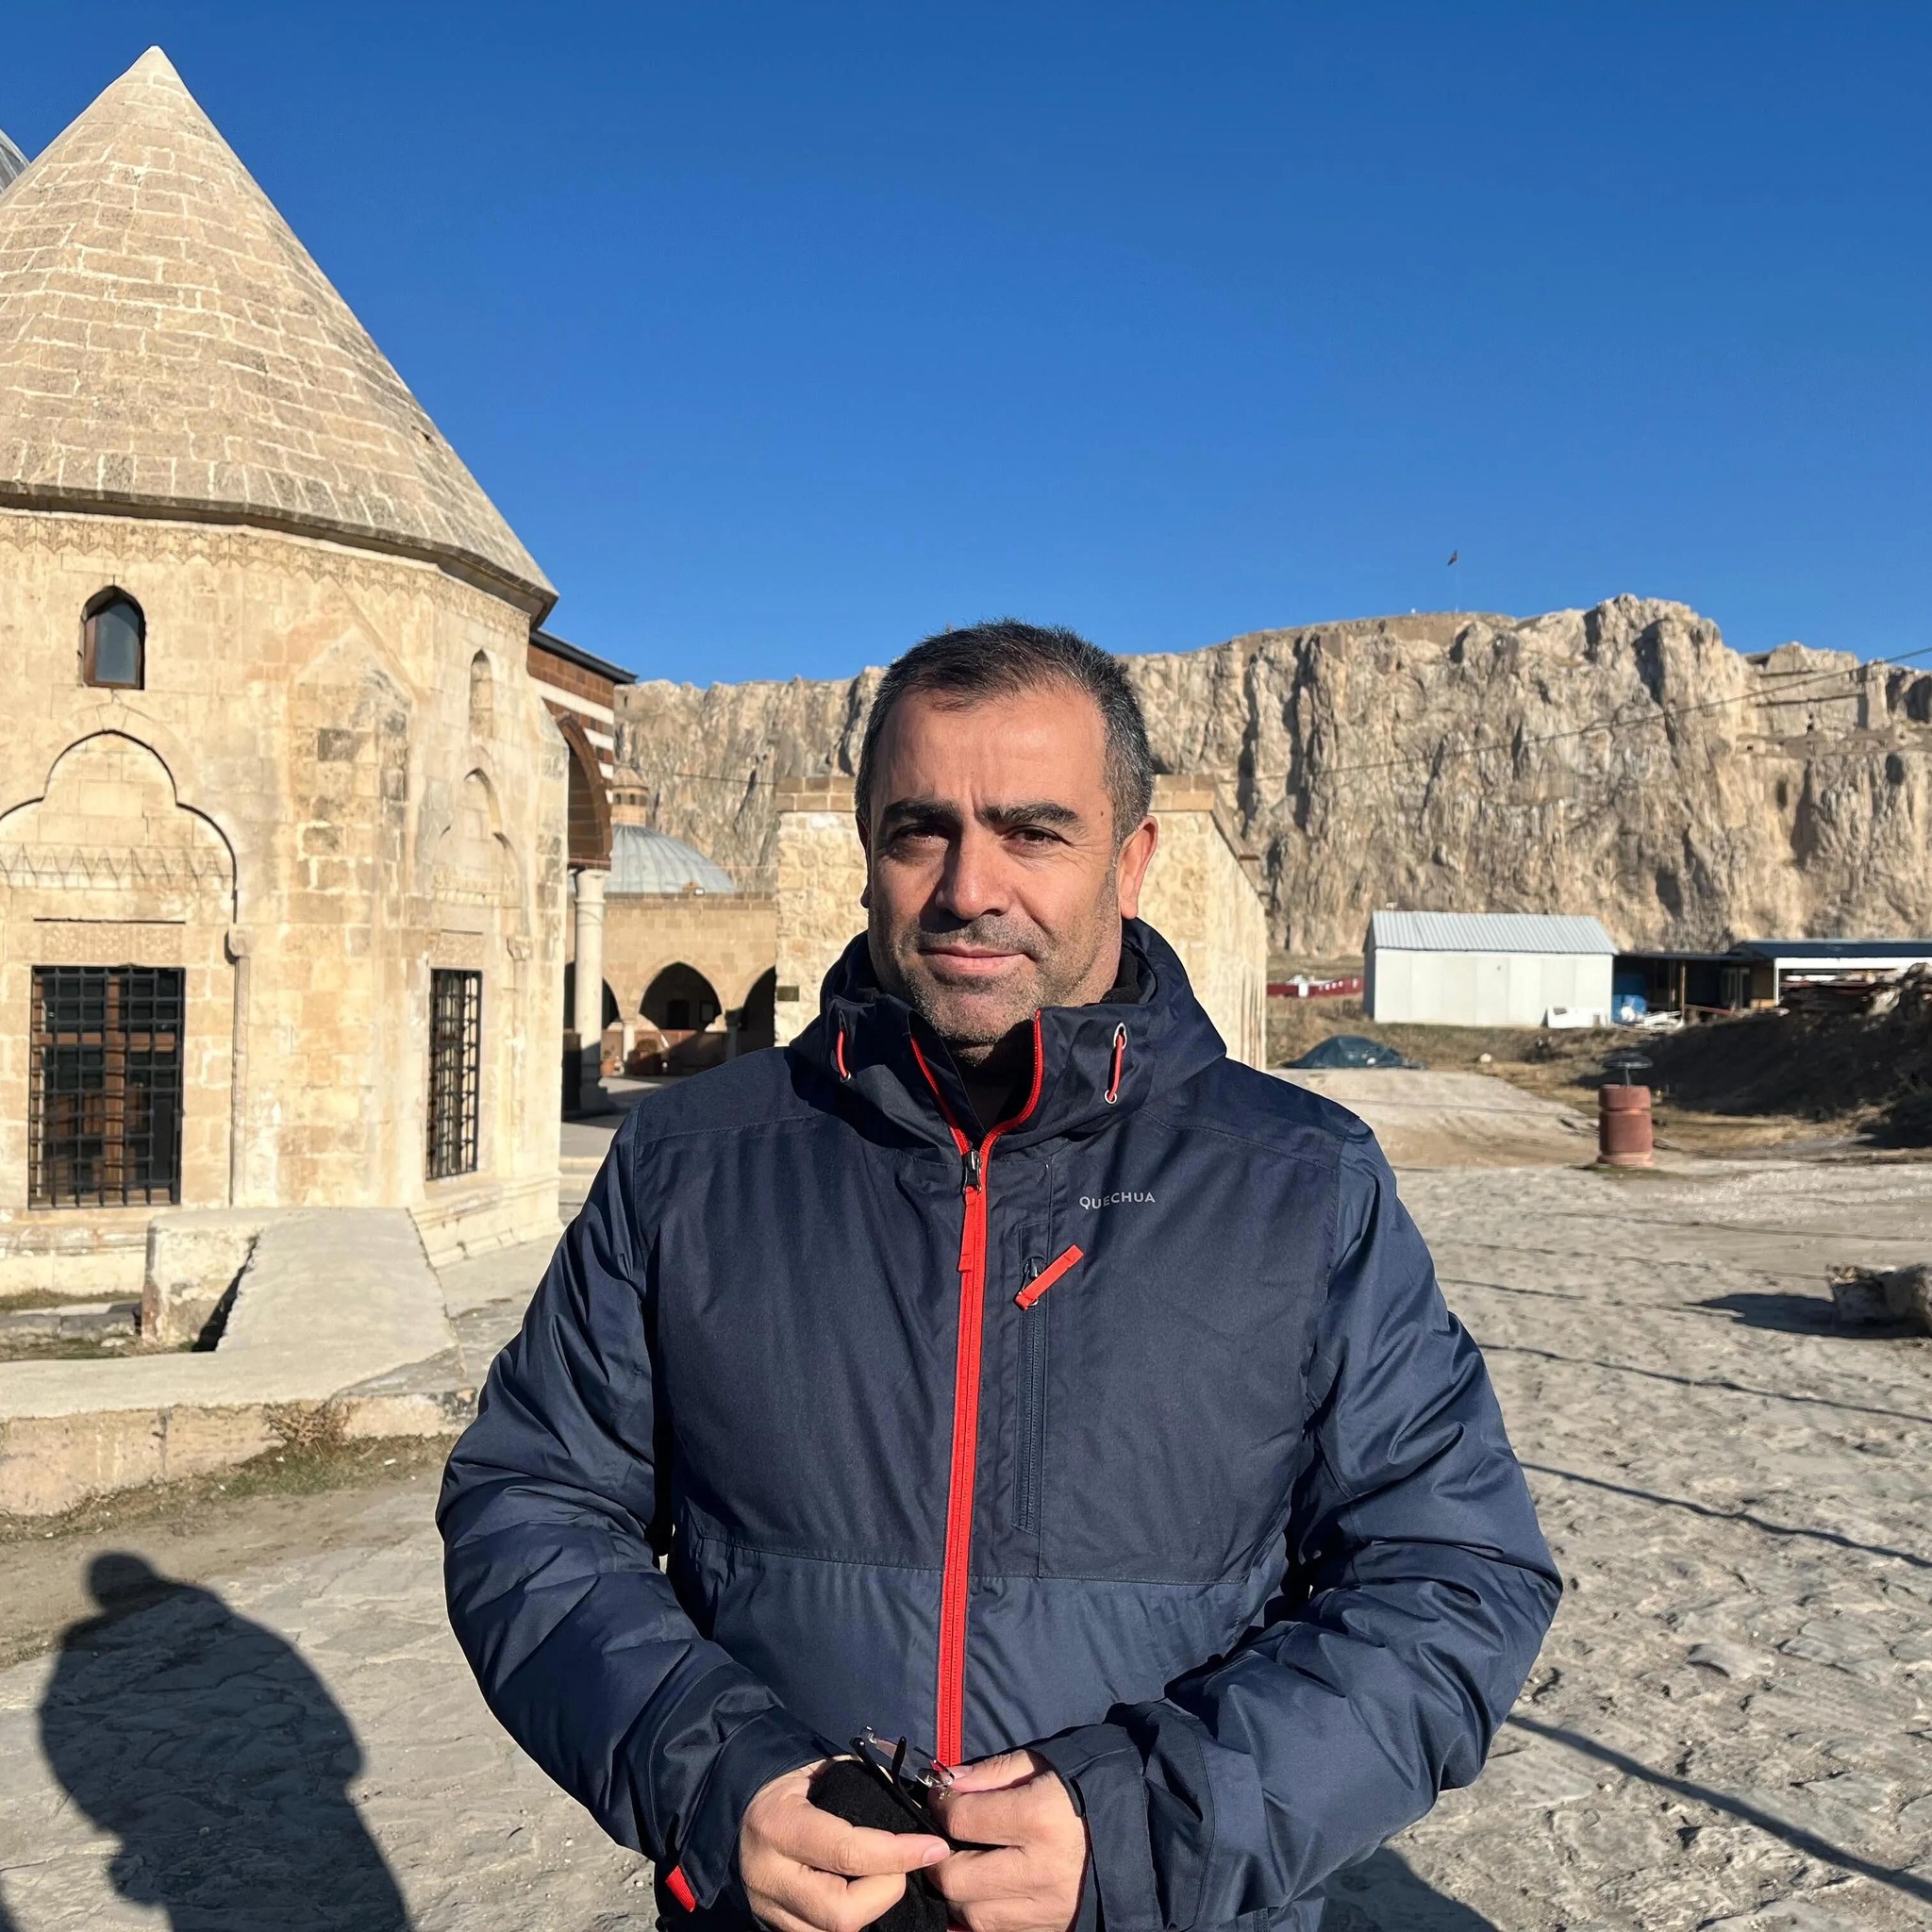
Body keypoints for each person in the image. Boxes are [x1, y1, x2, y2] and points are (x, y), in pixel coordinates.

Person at [439, 621, 1559, 1932]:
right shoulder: (690, 1163)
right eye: (921, 832)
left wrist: (1145, 1829)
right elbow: (531, 1503)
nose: (971, 887)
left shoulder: (1301, 1182)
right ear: (869, 855)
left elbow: (1453, 1572)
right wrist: (711, 1775)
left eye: (1035, 833)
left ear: (1130, 860)